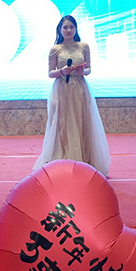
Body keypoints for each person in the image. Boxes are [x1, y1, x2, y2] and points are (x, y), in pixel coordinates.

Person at [34, 15, 111, 176]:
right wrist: (62, 71)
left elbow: (89, 69)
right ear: (60, 29)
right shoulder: (55, 49)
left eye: (71, 27)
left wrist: (83, 71)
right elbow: (50, 73)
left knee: (82, 122)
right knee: (63, 124)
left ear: (76, 29)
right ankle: (63, 161)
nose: (68, 30)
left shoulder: (84, 46)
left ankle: (84, 162)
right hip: (62, 90)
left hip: (80, 90)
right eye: (65, 27)